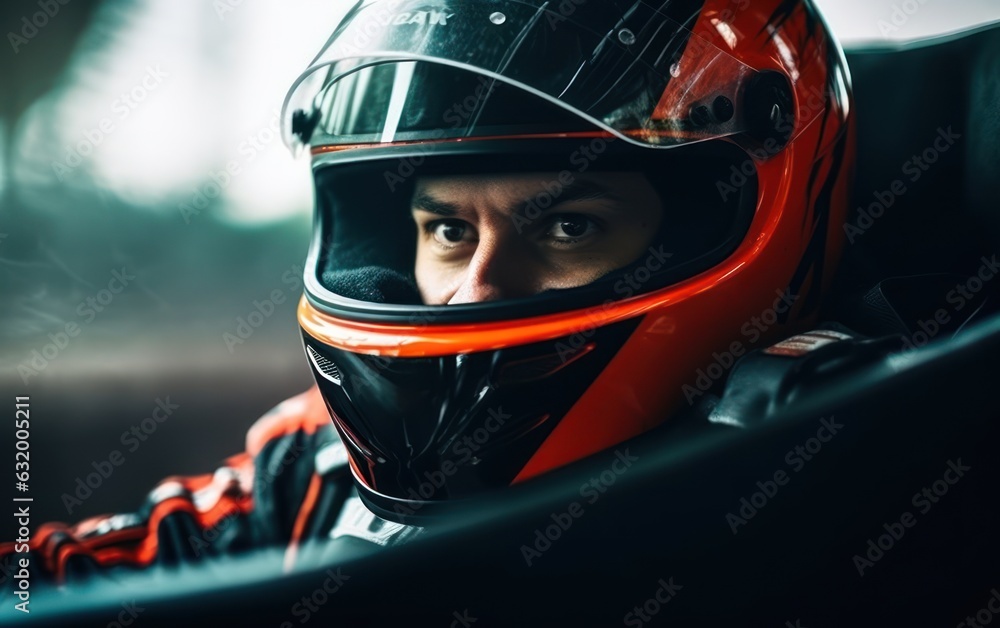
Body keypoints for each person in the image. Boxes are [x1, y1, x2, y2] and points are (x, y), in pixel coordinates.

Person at [2, 0, 859, 588]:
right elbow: (61, 582)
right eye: (446, 231)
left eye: (567, 228)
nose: (472, 293)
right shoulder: (312, 462)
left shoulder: (826, 463)